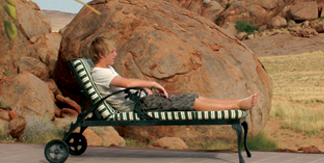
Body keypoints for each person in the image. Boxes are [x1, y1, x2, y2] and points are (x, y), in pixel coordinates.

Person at [87, 36, 258, 114]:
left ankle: (236, 102)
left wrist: (146, 90)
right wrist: (152, 85)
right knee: (190, 102)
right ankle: (236, 106)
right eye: (112, 52)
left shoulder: (107, 69)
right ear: (101, 55)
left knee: (192, 96)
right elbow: (127, 84)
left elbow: (126, 86)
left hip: (142, 99)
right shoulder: (99, 73)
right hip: (139, 106)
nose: (115, 54)